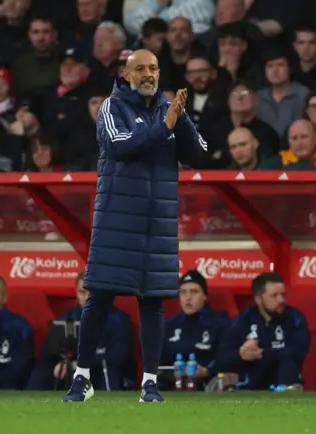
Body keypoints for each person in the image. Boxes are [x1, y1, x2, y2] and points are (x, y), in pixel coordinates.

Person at [62, 48, 207, 403]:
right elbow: (119, 145)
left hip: (156, 222)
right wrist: (166, 125)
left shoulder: (168, 110)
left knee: (153, 302)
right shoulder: (112, 107)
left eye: (153, 68)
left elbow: (199, 155)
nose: (148, 74)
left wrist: (181, 118)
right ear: (126, 75)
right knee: (99, 296)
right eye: (140, 68)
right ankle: (82, 378)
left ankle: (150, 384)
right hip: (116, 218)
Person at [27, 272, 133, 391]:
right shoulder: (66, 319)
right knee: (41, 373)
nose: (87, 298)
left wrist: (79, 365)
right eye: (82, 292)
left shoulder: (118, 319)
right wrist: (63, 364)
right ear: (76, 294)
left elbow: (118, 357)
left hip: (101, 370)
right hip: (72, 371)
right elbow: (47, 355)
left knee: (108, 371)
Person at [218, 272, 310, 390]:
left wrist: (262, 353)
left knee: (288, 360)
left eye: (283, 294)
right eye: (274, 296)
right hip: (250, 388)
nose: (281, 300)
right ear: (258, 299)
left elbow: (298, 350)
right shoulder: (244, 319)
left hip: (285, 384)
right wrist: (242, 355)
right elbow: (223, 354)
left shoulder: (295, 318)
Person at [160, 270, 230, 389]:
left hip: (207, 383)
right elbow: (159, 361)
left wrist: (208, 370)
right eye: (183, 292)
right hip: (172, 384)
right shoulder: (168, 325)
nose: (188, 297)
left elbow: (226, 356)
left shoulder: (220, 323)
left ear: (204, 296)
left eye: (194, 292)